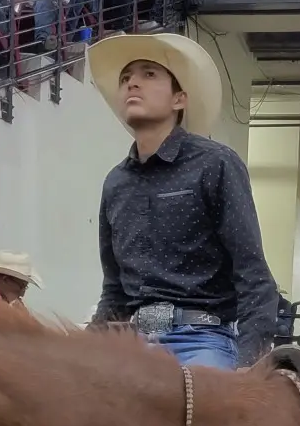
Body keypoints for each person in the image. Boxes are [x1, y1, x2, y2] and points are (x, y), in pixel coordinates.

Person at [87, 33, 278, 369]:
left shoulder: (215, 164)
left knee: (207, 415)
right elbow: (114, 289)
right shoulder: (115, 183)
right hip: (130, 342)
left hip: (202, 339)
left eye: (149, 74)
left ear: (179, 99)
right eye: (125, 78)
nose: (132, 83)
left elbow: (253, 275)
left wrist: (251, 365)